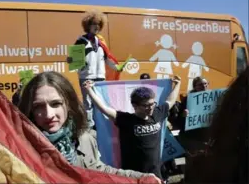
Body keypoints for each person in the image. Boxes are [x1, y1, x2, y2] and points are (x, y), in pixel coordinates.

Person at [18, 71, 162, 183]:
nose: (49, 114)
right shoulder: (18, 145)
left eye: (56, 104)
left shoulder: (85, 139)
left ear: (69, 104)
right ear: (30, 109)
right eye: (38, 107)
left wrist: (140, 178)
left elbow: (100, 172)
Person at [83, 76, 182, 179]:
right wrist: (89, 90)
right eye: (146, 105)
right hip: (133, 175)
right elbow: (103, 108)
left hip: (155, 172)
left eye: (153, 104)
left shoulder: (157, 113)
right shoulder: (126, 120)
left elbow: (170, 101)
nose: (151, 107)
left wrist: (178, 84)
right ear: (135, 106)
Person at [185, 66, 248, 183]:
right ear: (195, 86)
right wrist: (184, 116)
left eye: (206, 84)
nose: (204, 86)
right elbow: (178, 120)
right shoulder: (188, 100)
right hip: (195, 137)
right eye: (200, 84)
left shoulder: (215, 98)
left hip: (207, 137)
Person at [67, 10, 121, 129]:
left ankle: (101, 125)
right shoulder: (80, 41)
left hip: (100, 77)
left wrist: (117, 67)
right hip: (87, 77)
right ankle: (90, 127)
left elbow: (107, 59)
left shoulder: (101, 43)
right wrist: (75, 61)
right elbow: (71, 60)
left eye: (98, 25)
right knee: (88, 104)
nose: (96, 27)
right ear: (88, 26)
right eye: (93, 24)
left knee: (100, 102)